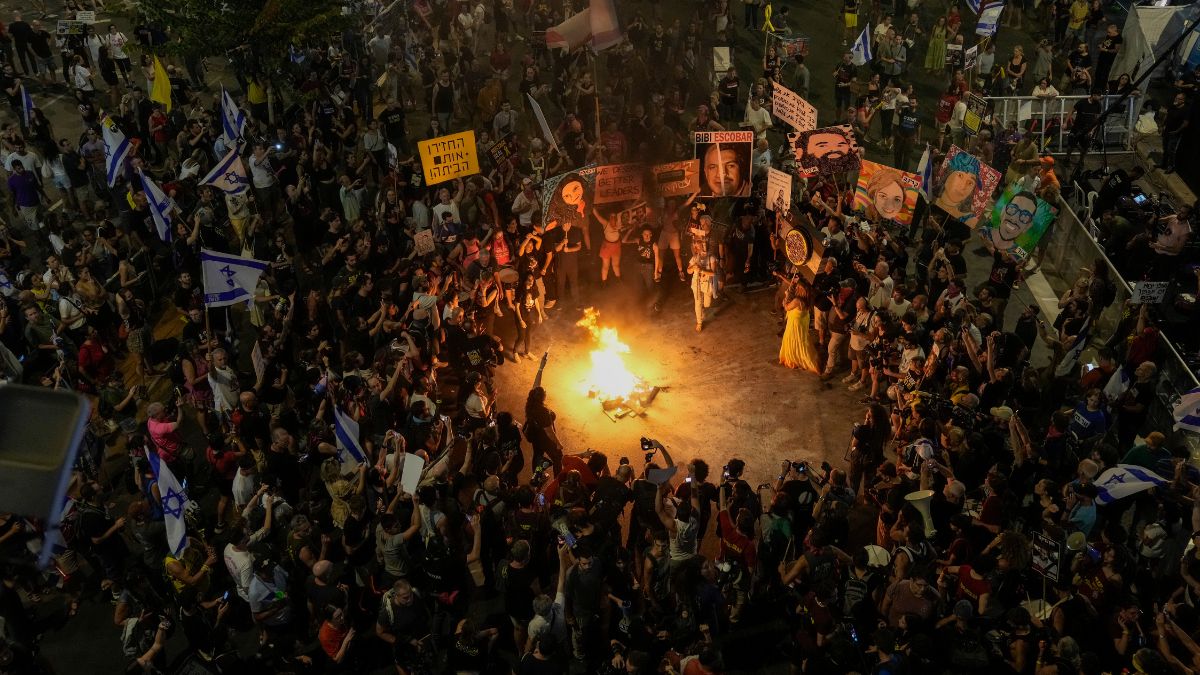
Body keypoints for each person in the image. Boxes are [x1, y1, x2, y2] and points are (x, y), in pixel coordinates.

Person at [778, 276, 821, 373]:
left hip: (795, 323)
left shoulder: (797, 301)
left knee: (793, 339)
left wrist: (786, 295)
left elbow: (787, 307)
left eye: (798, 287)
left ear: (801, 289)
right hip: (803, 320)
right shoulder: (808, 298)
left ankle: (796, 359)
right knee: (801, 339)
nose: (796, 288)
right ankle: (799, 358)